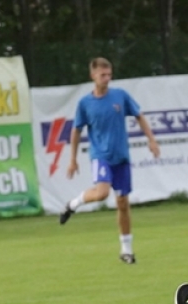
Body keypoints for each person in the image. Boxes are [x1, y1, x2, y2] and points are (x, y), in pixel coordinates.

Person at [59, 57, 160, 264]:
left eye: (109, 74)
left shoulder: (120, 96)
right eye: (102, 75)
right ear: (93, 75)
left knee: (122, 203)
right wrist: (73, 159)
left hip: (121, 157)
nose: (107, 78)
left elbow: (139, 115)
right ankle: (73, 204)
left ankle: (126, 250)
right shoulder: (85, 104)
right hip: (100, 156)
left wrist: (151, 140)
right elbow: (76, 131)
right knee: (102, 193)